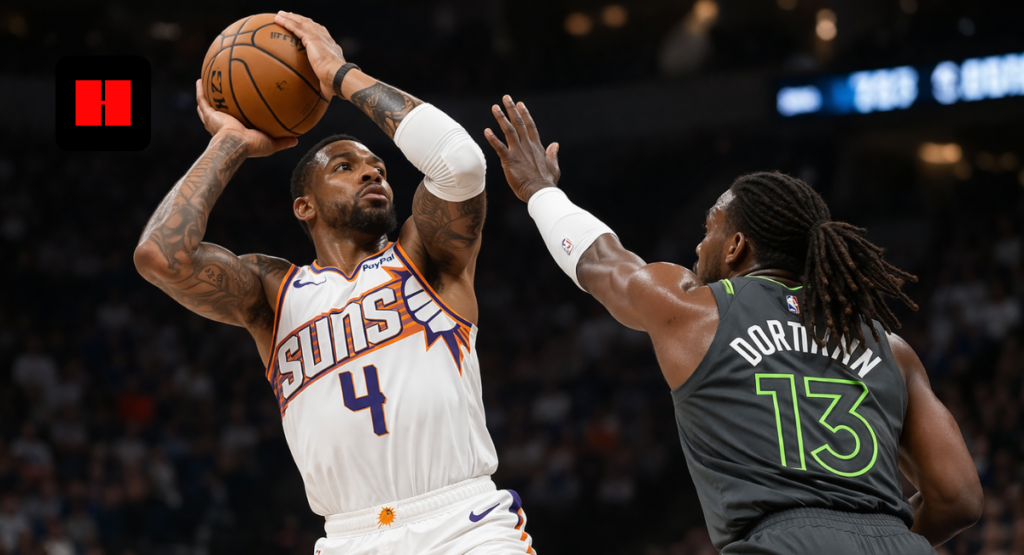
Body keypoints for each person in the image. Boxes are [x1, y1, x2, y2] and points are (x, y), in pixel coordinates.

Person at [483, 96, 982, 554]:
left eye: (708, 230)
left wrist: (541, 192)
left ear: (736, 246)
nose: (698, 247)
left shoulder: (695, 308)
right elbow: (958, 497)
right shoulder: (890, 347)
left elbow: (603, 265)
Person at [133, 12, 535, 555]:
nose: (373, 173)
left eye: (378, 167)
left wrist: (341, 74)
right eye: (344, 167)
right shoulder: (273, 293)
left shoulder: (429, 257)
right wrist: (229, 141)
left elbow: (460, 163)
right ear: (304, 206)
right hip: (349, 538)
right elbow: (161, 256)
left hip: (462, 524)